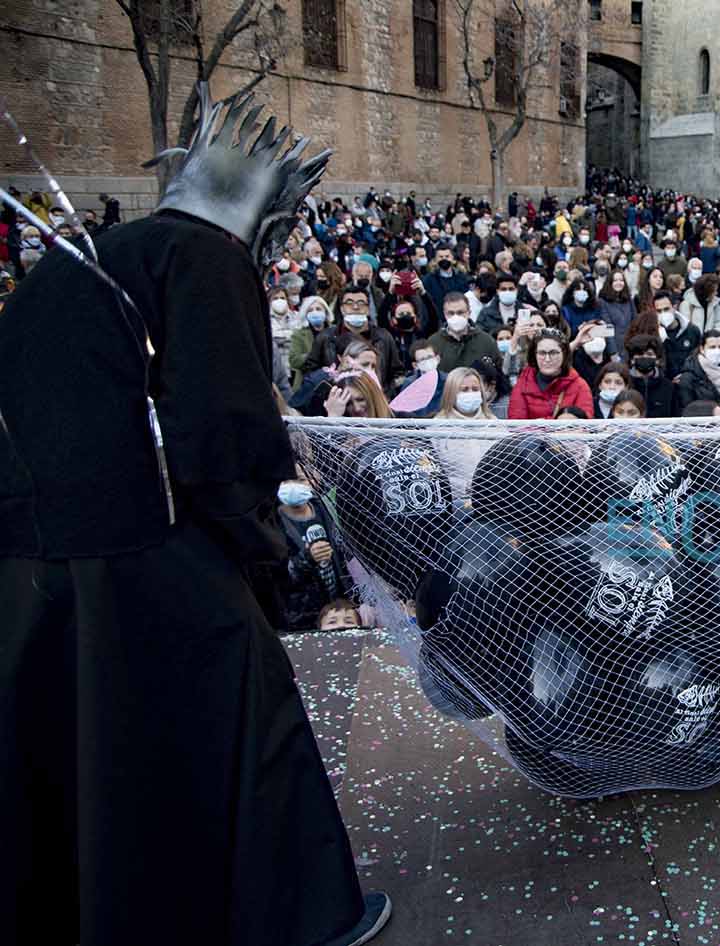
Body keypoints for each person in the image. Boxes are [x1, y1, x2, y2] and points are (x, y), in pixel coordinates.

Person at [0, 87, 387, 945]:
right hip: (139, 538)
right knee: (246, 697)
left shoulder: (98, 251)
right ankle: (295, 916)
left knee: (88, 736)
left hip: (39, 551)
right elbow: (225, 427)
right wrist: (257, 542)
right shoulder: (205, 258)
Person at [272, 470, 351, 630]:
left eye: (300, 479)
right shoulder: (271, 522)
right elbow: (275, 576)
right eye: (286, 481)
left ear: (314, 480)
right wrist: (306, 559)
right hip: (301, 615)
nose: (293, 486)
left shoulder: (325, 508)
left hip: (337, 608)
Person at [508, 328, 593, 420]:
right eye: (542, 353)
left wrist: (542, 423)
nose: (547, 359)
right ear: (534, 355)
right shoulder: (523, 384)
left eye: (553, 353)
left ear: (564, 354)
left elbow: (585, 423)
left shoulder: (580, 386)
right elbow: (516, 423)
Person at [429, 291, 498, 372]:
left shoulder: (486, 341)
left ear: (469, 313)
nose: (456, 317)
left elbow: (497, 372)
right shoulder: (433, 343)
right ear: (445, 314)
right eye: (451, 313)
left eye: (460, 313)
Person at [622, 332, 681, 417]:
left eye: (649, 354)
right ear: (632, 360)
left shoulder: (668, 387)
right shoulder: (625, 384)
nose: (644, 357)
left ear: (657, 360)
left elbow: (676, 416)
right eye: (639, 354)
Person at [652, 289, 702, 377]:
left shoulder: (692, 331)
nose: (663, 313)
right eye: (659, 311)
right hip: (665, 381)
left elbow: (698, 359)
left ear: (674, 307)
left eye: (666, 309)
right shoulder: (653, 334)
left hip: (688, 380)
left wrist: (685, 376)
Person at [676, 329, 720, 404]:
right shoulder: (688, 377)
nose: (717, 351)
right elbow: (687, 407)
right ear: (702, 349)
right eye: (712, 347)